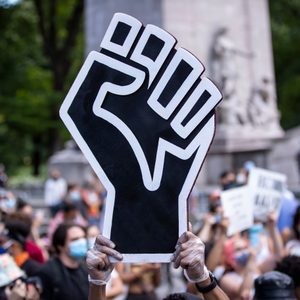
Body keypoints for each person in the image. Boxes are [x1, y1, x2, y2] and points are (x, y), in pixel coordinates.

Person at [86, 231, 229, 300]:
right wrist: (98, 282)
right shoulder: (123, 252)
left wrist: (203, 277)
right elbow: (123, 278)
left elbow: (157, 281)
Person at [37, 223, 89, 300]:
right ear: (60, 246)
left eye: (83, 238)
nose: (81, 242)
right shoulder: (47, 272)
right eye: (75, 239)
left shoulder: (86, 268)